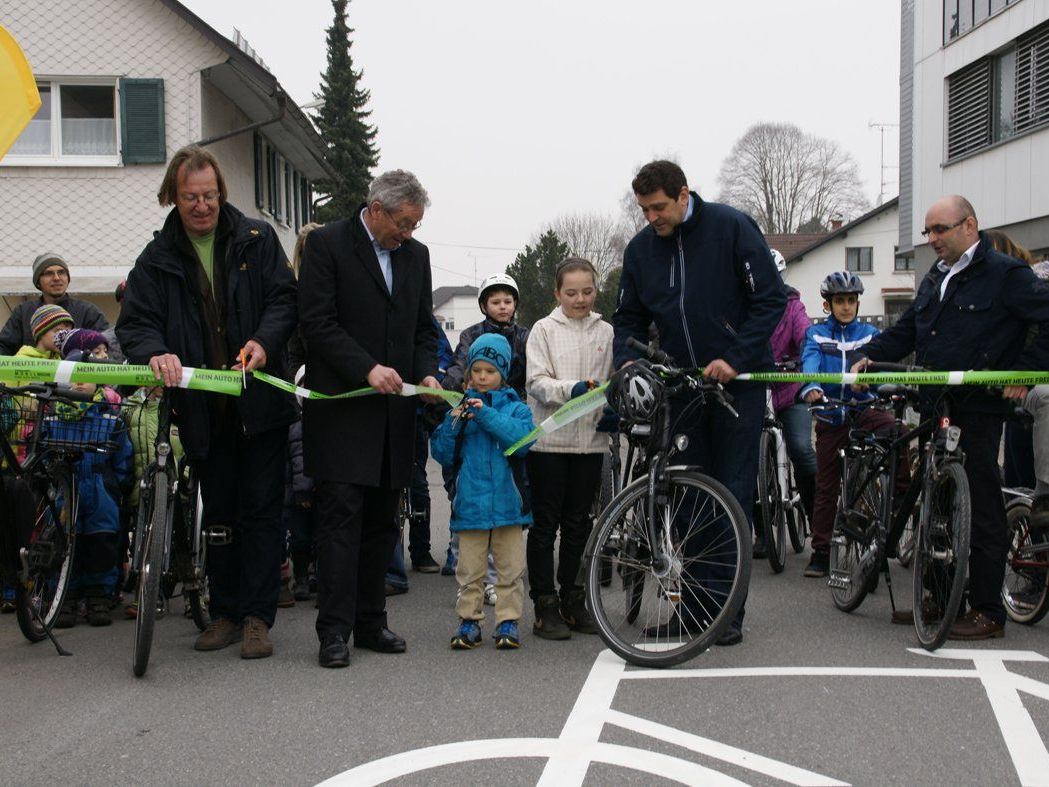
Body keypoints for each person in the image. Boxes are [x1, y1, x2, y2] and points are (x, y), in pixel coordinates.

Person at [117, 145, 297, 660]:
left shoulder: (257, 240)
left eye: (210, 195)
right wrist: (156, 353)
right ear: (173, 197)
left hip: (259, 402)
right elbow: (135, 323)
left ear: (221, 194)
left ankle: (258, 619)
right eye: (191, 197)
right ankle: (224, 611)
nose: (202, 206)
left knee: (262, 511)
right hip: (201, 410)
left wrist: (264, 342)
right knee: (219, 513)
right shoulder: (156, 258)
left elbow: (286, 300)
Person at [851, 195, 1049, 640]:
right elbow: (908, 332)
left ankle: (986, 611)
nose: (932, 239)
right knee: (937, 502)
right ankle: (940, 600)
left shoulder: (1006, 274)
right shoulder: (936, 276)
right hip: (936, 404)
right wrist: (870, 356)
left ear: (969, 226)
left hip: (979, 407)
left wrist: (1025, 370)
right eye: (928, 232)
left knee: (979, 505)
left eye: (940, 230)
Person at [612, 160, 785, 646]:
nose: (652, 217)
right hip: (682, 386)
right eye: (644, 209)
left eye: (659, 207)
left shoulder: (731, 227)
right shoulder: (642, 249)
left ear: (684, 194)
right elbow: (627, 318)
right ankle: (694, 610)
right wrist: (627, 363)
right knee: (688, 498)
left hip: (737, 384)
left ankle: (726, 615)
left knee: (730, 496)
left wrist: (734, 356)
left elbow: (769, 300)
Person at [297, 169, 440, 669]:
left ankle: (371, 620)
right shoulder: (328, 245)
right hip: (342, 410)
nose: (408, 234)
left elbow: (424, 328)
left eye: (415, 225)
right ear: (376, 209)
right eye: (403, 223)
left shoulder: (416, 257)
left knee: (383, 521)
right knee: (340, 522)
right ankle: (333, 632)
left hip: (394, 415)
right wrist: (366, 367)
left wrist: (427, 374)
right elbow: (316, 323)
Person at [525, 257, 612, 640]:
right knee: (545, 526)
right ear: (557, 293)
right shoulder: (543, 330)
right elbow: (536, 382)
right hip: (549, 444)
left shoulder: (607, 331)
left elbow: (613, 381)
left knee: (580, 524)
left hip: (590, 443)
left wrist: (613, 409)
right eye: (572, 292)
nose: (580, 299)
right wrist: (572, 389)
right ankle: (545, 605)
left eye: (587, 291)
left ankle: (574, 598)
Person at [431, 333, 534, 650]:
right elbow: (442, 453)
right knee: (469, 571)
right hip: (471, 506)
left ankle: (507, 621)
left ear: (502, 373)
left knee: (510, 570)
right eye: (476, 371)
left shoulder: (516, 408)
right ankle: (469, 622)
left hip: (508, 507)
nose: (482, 377)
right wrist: (454, 422)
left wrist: (486, 414)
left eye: (490, 371)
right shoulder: (460, 409)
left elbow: (522, 442)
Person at [799, 272, 897, 578]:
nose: (845, 307)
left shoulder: (869, 333)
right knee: (826, 485)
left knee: (898, 436)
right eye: (839, 301)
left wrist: (873, 384)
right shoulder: (816, 334)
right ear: (827, 304)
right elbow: (810, 364)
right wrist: (812, 387)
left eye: (851, 301)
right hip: (831, 415)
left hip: (864, 409)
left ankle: (897, 516)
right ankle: (820, 550)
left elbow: (879, 367)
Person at [440, 273, 530, 588]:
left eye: (508, 301)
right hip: (472, 413)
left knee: (511, 485)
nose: (502, 307)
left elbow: (535, 372)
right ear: (483, 305)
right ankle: (460, 548)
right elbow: (457, 367)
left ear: (515, 304)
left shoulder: (524, 336)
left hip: (508, 411)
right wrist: (448, 386)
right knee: (460, 483)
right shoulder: (470, 335)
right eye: (496, 301)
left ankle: (504, 563)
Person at [51, 349, 133, 628]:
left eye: (86, 377)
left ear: (99, 382)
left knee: (102, 543)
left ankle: (99, 594)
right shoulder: (54, 419)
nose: (79, 383)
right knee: (65, 543)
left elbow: (123, 458)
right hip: (66, 490)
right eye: (73, 377)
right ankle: (67, 596)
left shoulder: (110, 419)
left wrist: (115, 487)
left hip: (101, 490)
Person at [385, 313, 453, 594]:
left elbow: (443, 358)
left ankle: (422, 550)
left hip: (415, 413)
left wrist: (432, 377)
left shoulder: (425, 322)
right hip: (381, 409)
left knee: (418, 482)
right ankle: (388, 560)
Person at [765, 249, 816, 547]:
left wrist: (807, 361)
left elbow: (806, 335)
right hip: (759, 392)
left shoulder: (793, 307)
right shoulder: (746, 304)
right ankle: (760, 532)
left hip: (790, 389)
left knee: (799, 447)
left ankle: (817, 518)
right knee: (749, 454)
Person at [0, 253, 108, 356]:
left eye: (61, 272)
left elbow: (108, 342)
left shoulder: (87, 311)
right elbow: (4, 347)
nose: (56, 278)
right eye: (48, 273)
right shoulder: (23, 312)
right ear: (38, 281)